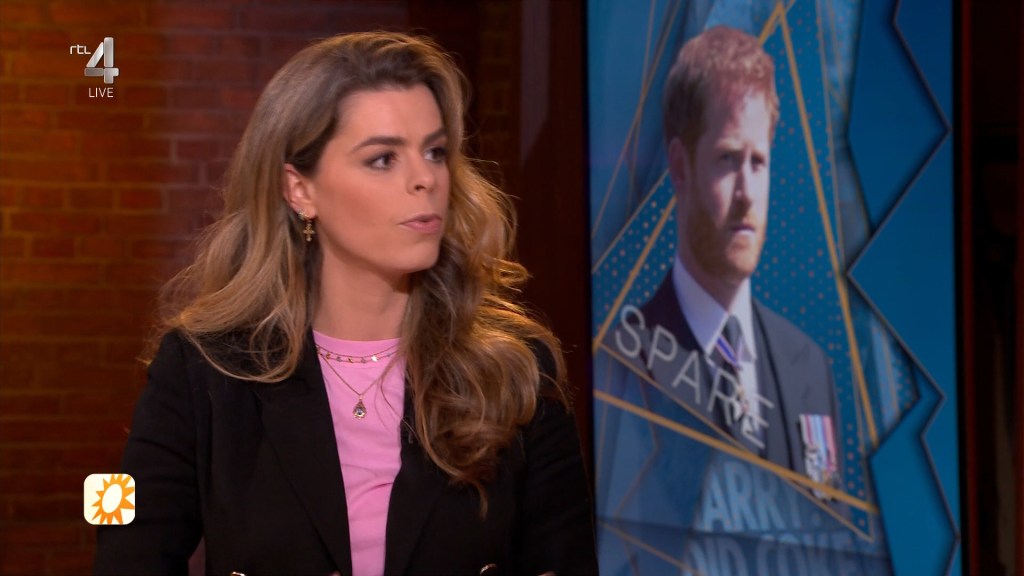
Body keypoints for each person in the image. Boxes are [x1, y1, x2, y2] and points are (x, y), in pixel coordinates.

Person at [93, 32, 598, 575]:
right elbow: (119, 541)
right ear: (299, 190)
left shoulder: (518, 367)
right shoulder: (196, 366)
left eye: (435, 152)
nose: (425, 179)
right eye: (383, 159)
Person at [608, 26, 841, 489]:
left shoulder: (810, 369)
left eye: (759, 163)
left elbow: (827, 516)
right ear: (680, 166)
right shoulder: (623, 365)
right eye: (728, 160)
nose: (747, 193)